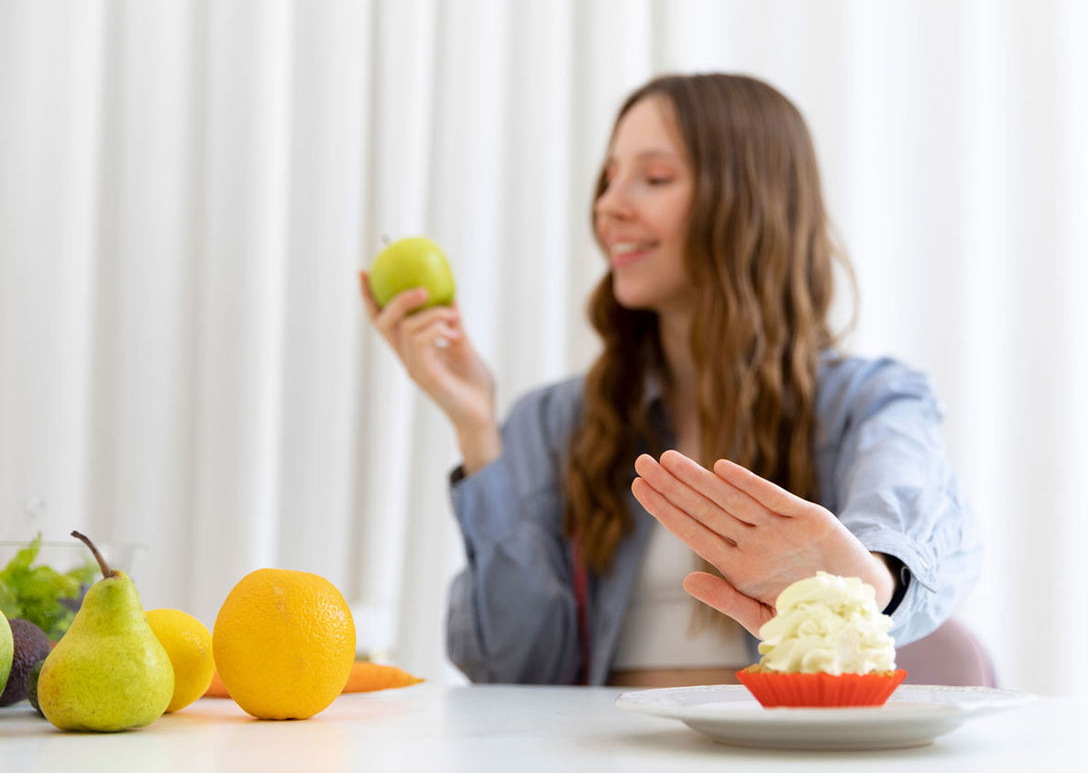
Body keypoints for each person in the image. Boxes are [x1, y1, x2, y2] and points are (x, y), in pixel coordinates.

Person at [359, 73, 981, 687]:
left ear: (748, 203)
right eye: (608, 179)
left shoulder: (873, 402)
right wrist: (475, 429)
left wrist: (868, 583)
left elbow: (913, 513)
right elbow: (514, 673)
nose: (608, 206)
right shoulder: (553, 422)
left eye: (653, 178)